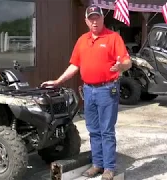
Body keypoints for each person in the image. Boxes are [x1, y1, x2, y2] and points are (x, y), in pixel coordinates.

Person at [41, 5, 131, 180]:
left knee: (106, 131)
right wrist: (58, 81)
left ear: (103, 19)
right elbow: (75, 64)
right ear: (86, 21)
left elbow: (127, 61)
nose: (94, 21)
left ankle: (109, 168)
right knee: (93, 130)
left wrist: (122, 66)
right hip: (89, 90)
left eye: (97, 17)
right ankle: (97, 164)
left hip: (107, 90)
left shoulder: (113, 38)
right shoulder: (82, 40)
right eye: (91, 18)